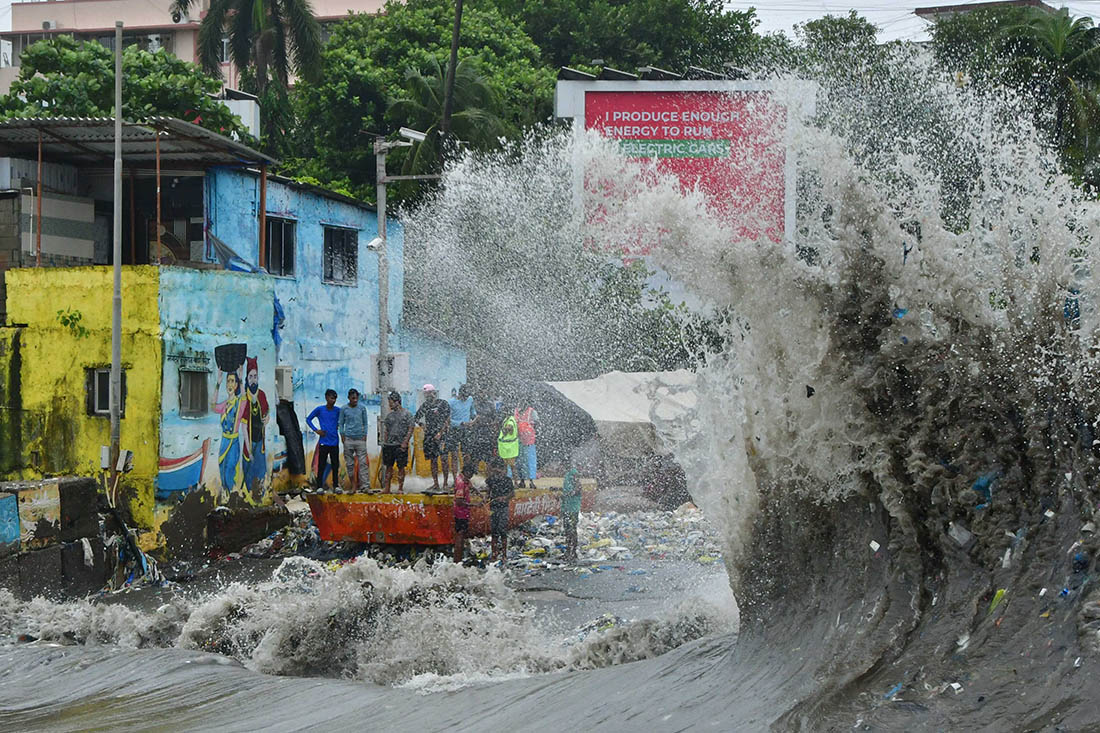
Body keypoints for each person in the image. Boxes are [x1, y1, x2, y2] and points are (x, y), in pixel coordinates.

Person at [212, 370, 244, 500]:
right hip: (224, 442)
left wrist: (241, 379)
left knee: (231, 469)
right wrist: (218, 384)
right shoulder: (224, 404)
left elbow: (244, 397)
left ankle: (231, 497)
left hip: (233, 442)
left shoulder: (239, 403)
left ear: (236, 385)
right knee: (223, 471)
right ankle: (226, 496)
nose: (230, 384)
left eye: (232, 381)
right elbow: (213, 406)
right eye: (228, 381)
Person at [240, 357, 270, 494]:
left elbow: (267, 412)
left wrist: (267, 418)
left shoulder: (262, 395)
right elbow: (244, 427)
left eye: (255, 376)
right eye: (250, 376)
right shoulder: (244, 398)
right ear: (247, 378)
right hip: (250, 443)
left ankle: (261, 493)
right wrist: (249, 449)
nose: (253, 379)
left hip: (260, 443)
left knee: (261, 469)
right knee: (249, 470)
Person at [414, 384, 451, 490]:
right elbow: (416, 418)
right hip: (430, 436)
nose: (426, 395)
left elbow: (447, 419)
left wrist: (440, 432)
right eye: (425, 394)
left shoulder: (443, 404)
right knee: (433, 460)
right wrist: (422, 426)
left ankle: (445, 483)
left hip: (442, 435)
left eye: (428, 393)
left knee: (444, 459)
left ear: (433, 393)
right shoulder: (425, 406)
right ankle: (436, 483)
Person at [380, 391, 415, 493]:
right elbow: (386, 430)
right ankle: (387, 488)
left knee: (401, 468)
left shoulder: (407, 414)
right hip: (389, 445)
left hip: (400, 445)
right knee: (388, 468)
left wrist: (405, 442)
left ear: (397, 402)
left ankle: (400, 488)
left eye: (391, 402)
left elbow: (411, 428)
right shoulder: (389, 416)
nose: (389, 404)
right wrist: (385, 443)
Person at [306, 389, 340, 490]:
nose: (333, 401)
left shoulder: (338, 410)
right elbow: (308, 419)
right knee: (321, 464)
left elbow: (344, 419)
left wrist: (340, 426)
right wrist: (316, 430)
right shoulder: (320, 410)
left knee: (335, 465)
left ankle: (335, 485)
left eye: (334, 399)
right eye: (331, 398)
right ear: (326, 397)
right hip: (324, 442)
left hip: (334, 441)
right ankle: (319, 486)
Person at [338, 388, 370, 492]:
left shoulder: (362, 408)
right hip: (348, 439)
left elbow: (365, 423)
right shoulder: (344, 409)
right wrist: (342, 435)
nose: (355, 400)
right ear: (349, 398)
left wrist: (365, 434)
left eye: (356, 398)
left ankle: (365, 486)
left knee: (363, 463)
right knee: (350, 464)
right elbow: (341, 423)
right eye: (353, 398)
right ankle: (353, 485)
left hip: (360, 439)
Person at [486, 457, 514, 564]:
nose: (497, 470)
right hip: (493, 507)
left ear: (503, 469)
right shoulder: (490, 480)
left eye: (499, 468)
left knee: (502, 531)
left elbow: (512, 494)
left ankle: (504, 555)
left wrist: (504, 498)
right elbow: (488, 492)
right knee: (494, 532)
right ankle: (494, 554)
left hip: (503, 507)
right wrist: (485, 498)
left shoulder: (507, 480)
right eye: (495, 468)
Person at [446, 385, 476, 479]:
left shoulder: (470, 399)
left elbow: (472, 411)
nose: (465, 399)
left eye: (466, 397)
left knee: (466, 455)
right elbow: (448, 420)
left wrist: (474, 418)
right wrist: (461, 423)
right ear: (460, 394)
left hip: (466, 431)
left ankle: (466, 477)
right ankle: (455, 478)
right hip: (454, 430)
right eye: (464, 396)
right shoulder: (451, 402)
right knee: (454, 455)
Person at [453, 463, 477, 563]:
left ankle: (459, 559)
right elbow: (459, 501)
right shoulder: (461, 483)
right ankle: (457, 561)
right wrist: (475, 505)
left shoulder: (463, 479)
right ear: (467, 472)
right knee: (460, 536)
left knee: (462, 535)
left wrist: (480, 494)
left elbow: (471, 487)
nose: (471, 476)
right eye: (471, 474)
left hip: (463, 512)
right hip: (460, 513)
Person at [514, 401, 539, 489]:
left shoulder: (518, 411)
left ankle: (525, 481)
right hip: (525, 441)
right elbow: (537, 422)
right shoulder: (531, 411)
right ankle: (527, 481)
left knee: (524, 461)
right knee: (526, 462)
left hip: (523, 442)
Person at [561, 460, 582, 563]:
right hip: (566, 507)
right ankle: (568, 551)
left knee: (572, 529)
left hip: (573, 507)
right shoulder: (566, 476)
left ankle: (573, 552)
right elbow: (566, 490)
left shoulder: (573, 474)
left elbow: (578, 488)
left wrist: (568, 495)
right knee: (567, 529)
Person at [497, 409, 519, 481]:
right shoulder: (507, 419)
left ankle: (515, 482)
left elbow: (509, 427)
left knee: (512, 466)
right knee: (506, 465)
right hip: (506, 447)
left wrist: (503, 429)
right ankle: (506, 481)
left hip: (509, 447)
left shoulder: (511, 420)